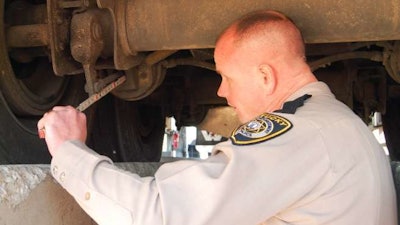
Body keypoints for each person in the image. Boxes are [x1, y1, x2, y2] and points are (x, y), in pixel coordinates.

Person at [37, 10, 397, 225]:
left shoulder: (297, 135)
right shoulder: (338, 124)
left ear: (265, 76)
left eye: (226, 76)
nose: (222, 91)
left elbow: (159, 215)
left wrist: (69, 151)